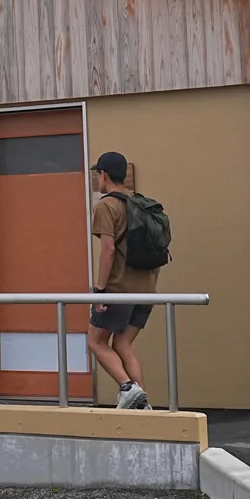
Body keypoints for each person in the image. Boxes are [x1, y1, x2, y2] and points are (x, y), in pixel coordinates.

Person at [87, 150, 157, 410]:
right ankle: (142, 403)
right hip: (147, 290)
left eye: (97, 174)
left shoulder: (106, 206)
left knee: (95, 342)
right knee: (123, 343)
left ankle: (128, 388)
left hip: (119, 289)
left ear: (103, 175)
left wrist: (100, 291)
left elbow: (108, 250)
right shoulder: (141, 203)